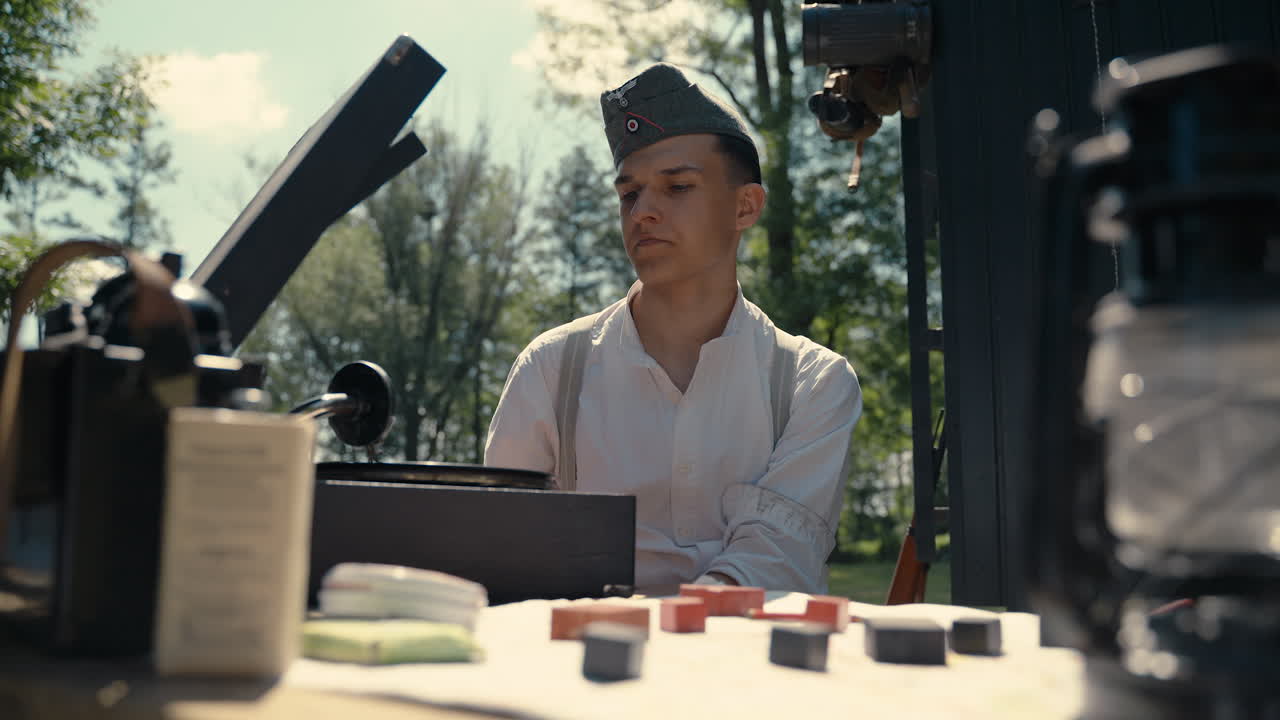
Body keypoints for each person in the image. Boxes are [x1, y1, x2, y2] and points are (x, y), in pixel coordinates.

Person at [484, 63, 862, 594]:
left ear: (746, 205)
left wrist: (673, 628)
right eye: (629, 194)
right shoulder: (550, 369)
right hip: (587, 665)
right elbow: (504, 547)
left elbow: (779, 552)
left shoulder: (813, 383)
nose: (644, 212)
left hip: (752, 667)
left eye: (678, 186)